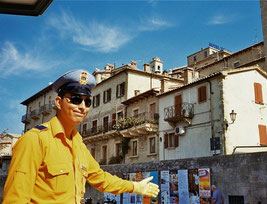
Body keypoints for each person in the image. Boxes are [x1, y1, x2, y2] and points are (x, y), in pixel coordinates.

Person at [2, 70, 159, 203]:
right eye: (76, 99)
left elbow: (101, 178)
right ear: (58, 102)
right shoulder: (34, 140)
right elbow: (15, 199)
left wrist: (135, 187)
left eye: (87, 102)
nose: (82, 107)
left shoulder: (78, 144)